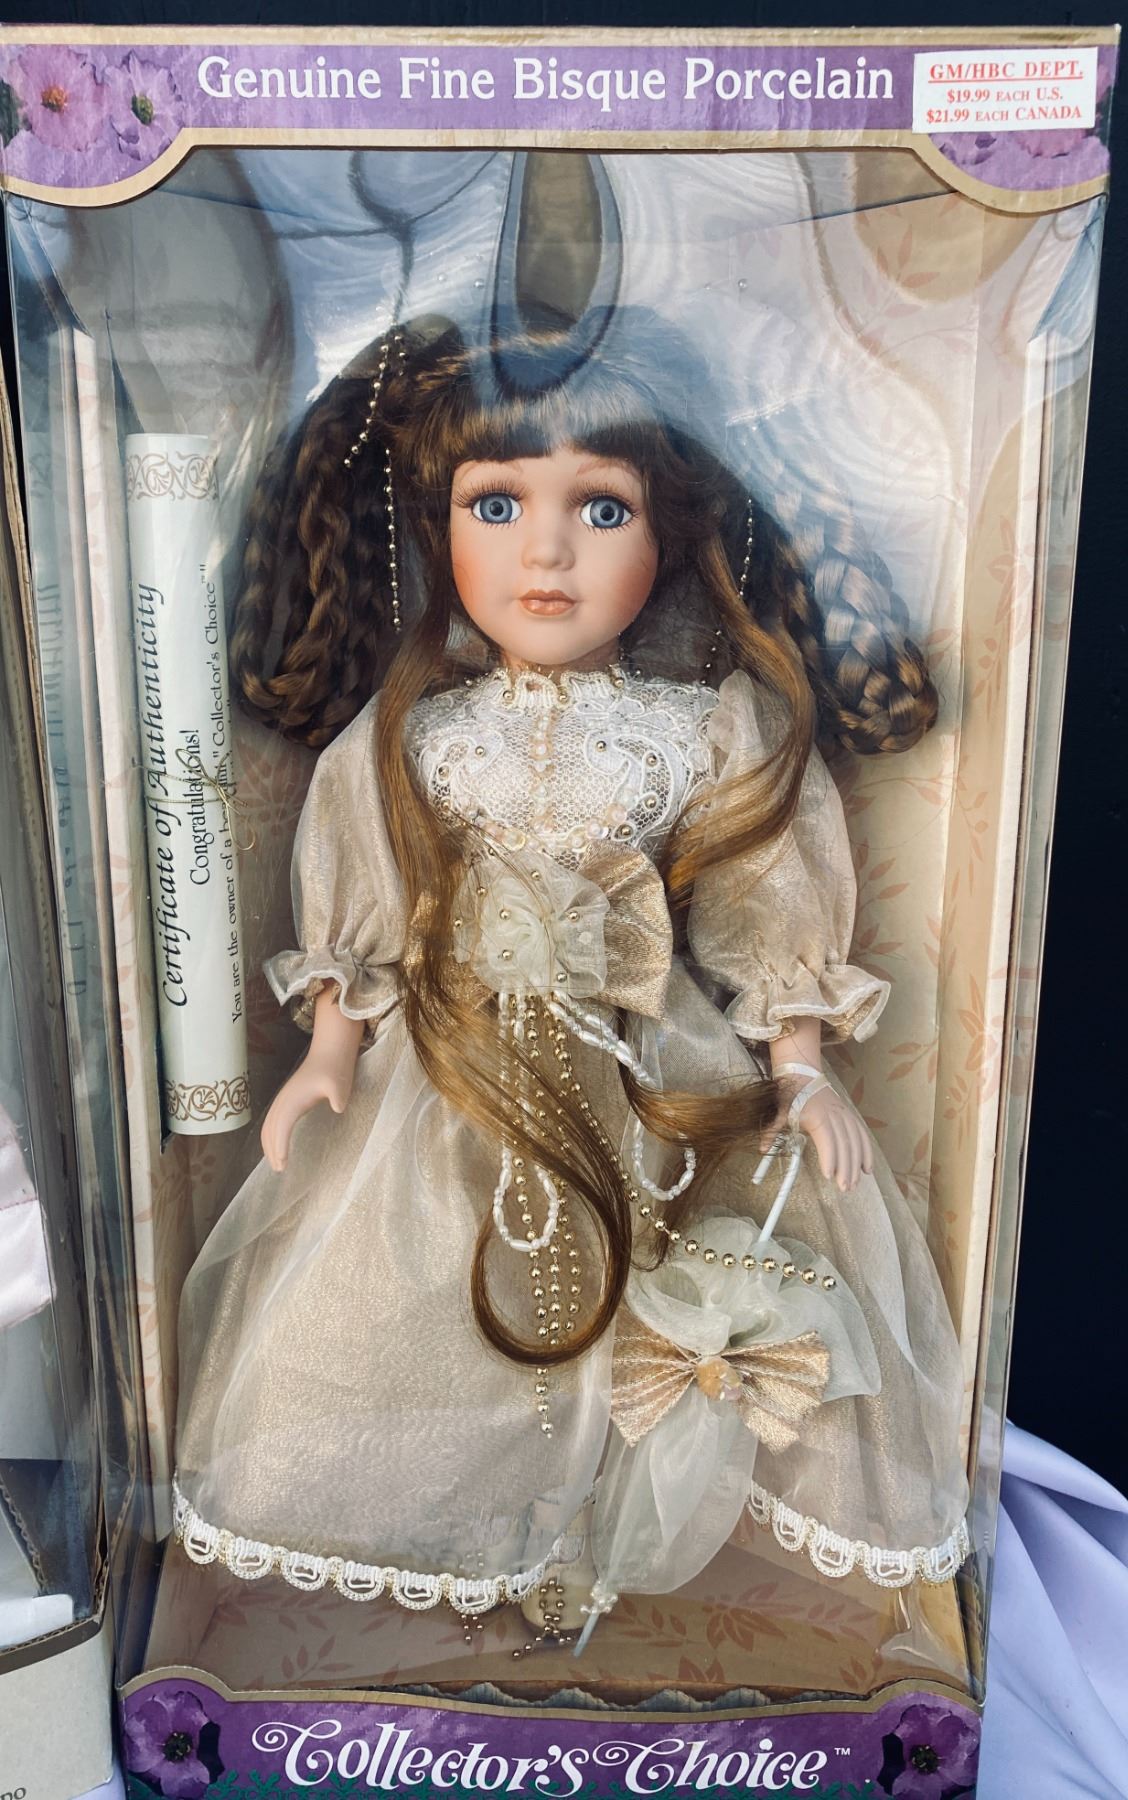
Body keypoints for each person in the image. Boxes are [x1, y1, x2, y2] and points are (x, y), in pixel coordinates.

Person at [172, 308, 969, 1634]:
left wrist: (801, 1068)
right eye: (496, 506)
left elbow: (761, 908)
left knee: (639, 1298)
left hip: (649, 1070)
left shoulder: (701, 731)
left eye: (602, 511)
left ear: (671, 537)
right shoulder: (412, 733)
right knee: (434, 1302)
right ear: (436, 531)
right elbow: (364, 904)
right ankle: (487, 1526)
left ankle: (591, 1532)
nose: (545, 552)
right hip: (450, 1079)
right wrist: (329, 1052)